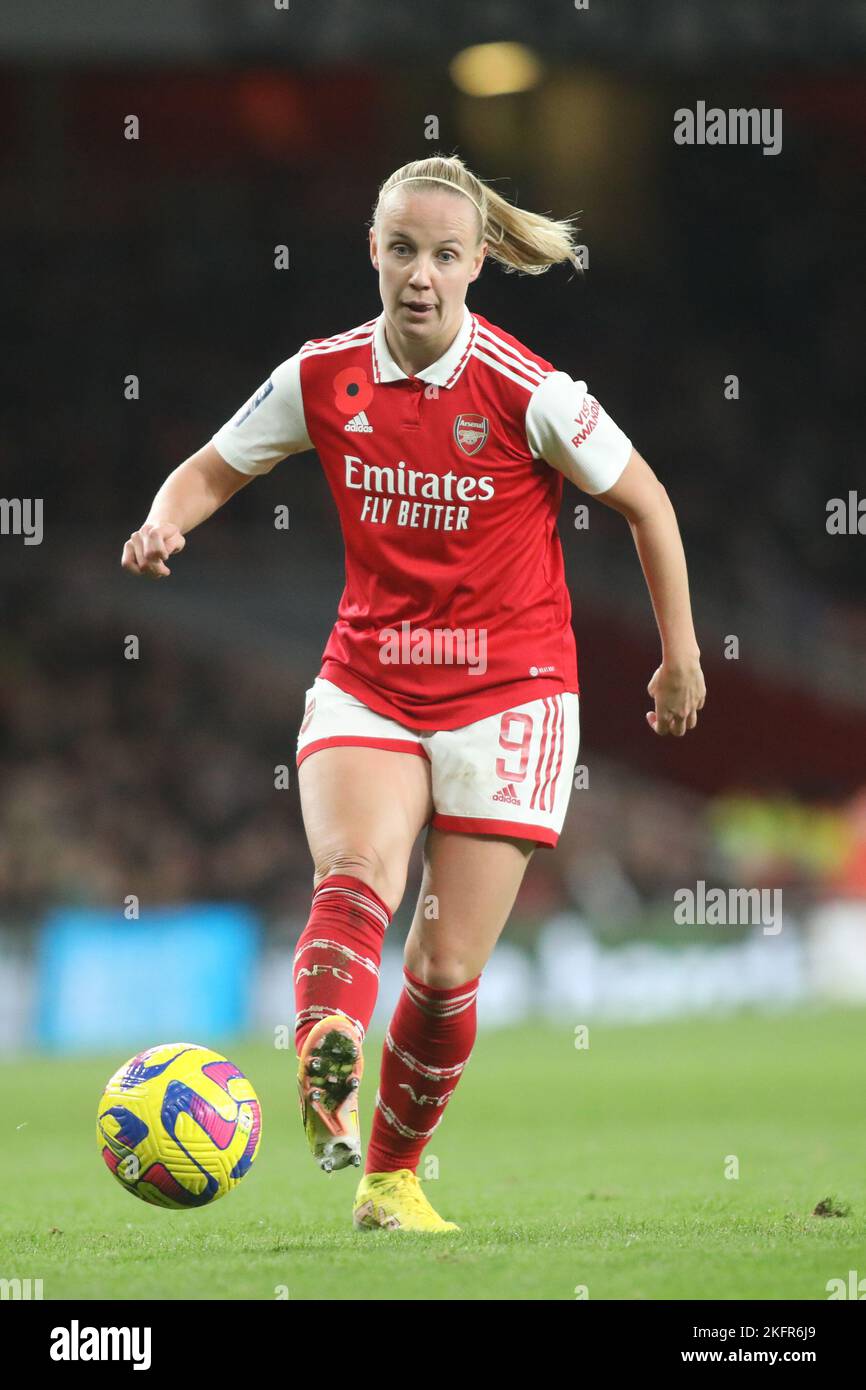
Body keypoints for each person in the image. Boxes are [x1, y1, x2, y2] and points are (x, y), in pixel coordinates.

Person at [122, 153, 706, 1233]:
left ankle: (389, 1176)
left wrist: (678, 657)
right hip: (370, 679)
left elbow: (646, 502)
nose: (420, 274)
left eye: (443, 254)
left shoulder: (531, 392)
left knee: (440, 973)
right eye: (401, 249)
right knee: (355, 870)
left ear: (478, 262)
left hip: (511, 690)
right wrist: (168, 520)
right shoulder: (321, 376)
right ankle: (323, 1063)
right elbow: (211, 465)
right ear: (372, 252)